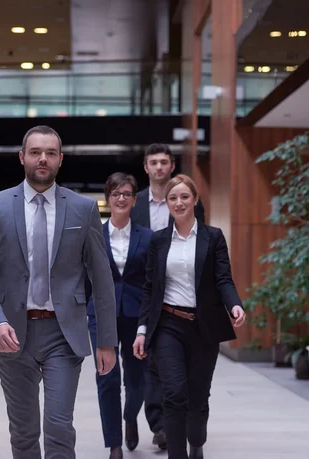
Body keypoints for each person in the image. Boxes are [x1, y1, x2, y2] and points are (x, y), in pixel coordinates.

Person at [0, 125, 118, 459]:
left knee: (58, 426)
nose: (43, 159)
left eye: (51, 153)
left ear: (60, 160)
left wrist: (106, 341)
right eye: (36, 152)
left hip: (63, 333)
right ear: (22, 157)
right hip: (11, 333)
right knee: (23, 431)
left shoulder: (83, 209)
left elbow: (101, 277)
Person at [132, 174, 246, 459]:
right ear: (167, 203)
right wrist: (143, 330)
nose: (179, 202)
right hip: (168, 325)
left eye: (184, 197)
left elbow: (223, 279)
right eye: (173, 198)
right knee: (173, 394)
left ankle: (197, 441)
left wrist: (235, 305)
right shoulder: (158, 241)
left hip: (203, 327)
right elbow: (150, 289)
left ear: (195, 200)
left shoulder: (213, 237)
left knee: (197, 399)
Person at [129, 143, 205, 449]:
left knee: (177, 365)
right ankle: (159, 424)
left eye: (164, 162)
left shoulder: (189, 202)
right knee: (151, 365)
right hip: (143, 295)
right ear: (146, 168)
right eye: (153, 163)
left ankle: (178, 420)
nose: (159, 167)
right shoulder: (135, 206)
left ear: (172, 165)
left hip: (180, 297)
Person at [86, 173, 153, 459]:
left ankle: (129, 416)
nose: (121, 198)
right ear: (107, 199)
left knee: (138, 380)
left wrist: (148, 320)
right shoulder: (93, 236)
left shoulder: (148, 237)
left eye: (127, 194)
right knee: (108, 379)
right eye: (116, 194)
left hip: (137, 315)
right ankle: (114, 444)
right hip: (102, 315)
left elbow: (153, 282)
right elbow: (85, 278)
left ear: (135, 200)